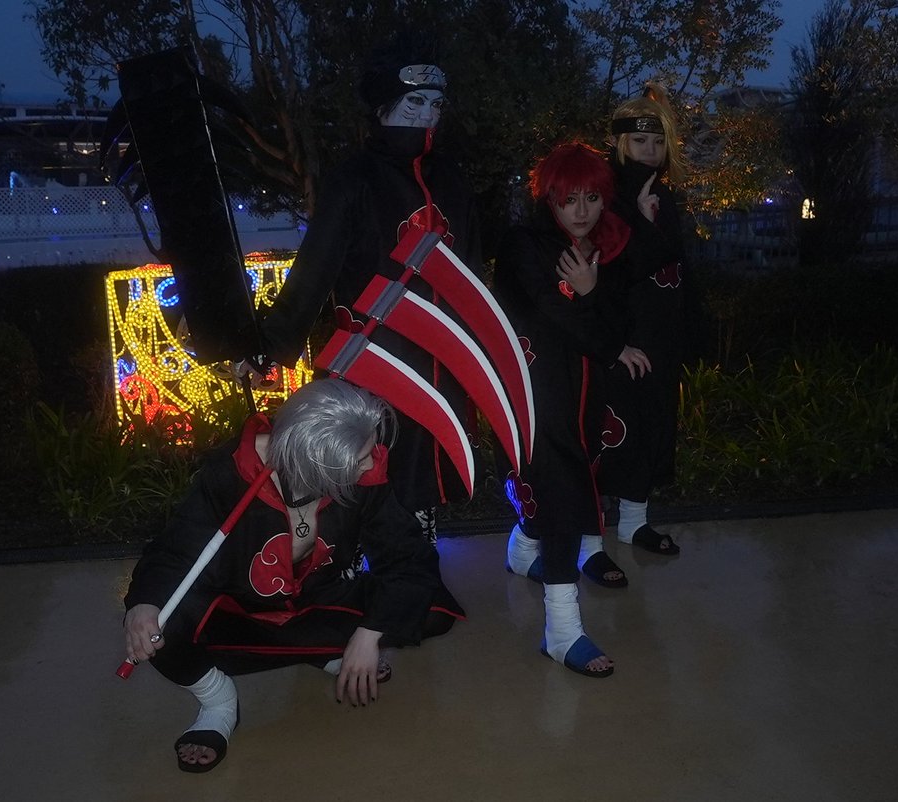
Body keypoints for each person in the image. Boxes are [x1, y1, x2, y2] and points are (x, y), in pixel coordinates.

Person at [122, 379, 464, 772]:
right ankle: (218, 700)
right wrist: (144, 604)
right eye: (360, 458)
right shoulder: (229, 474)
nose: (372, 464)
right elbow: (174, 551)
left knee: (432, 609)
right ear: (319, 464)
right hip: (238, 612)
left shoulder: (364, 476)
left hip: (318, 601)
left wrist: (369, 635)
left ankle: (331, 648)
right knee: (154, 626)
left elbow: (408, 559)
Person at [255, 35, 483, 546]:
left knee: (425, 466)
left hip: (438, 358)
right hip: (370, 355)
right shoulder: (352, 180)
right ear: (383, 107)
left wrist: (477, 349)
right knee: (364, 459)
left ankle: (415, 563)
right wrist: (271, 345)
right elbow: (315, 270)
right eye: (414, 102)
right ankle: (353, 561)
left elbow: (469, 273)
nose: (427, 115)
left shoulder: (452, 180)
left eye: (436, 104)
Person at [494, 142, 669, 676]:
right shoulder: (525, 243)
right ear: (549, 198)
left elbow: (618, 315)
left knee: (570, 482)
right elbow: (552, 311)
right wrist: (604, 329)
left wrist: (595, 291)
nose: (582, 210)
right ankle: (563, 630)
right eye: (569, 199)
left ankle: (524, 547)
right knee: (563, 492)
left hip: (586, 396)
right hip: (535, 391)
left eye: (592, 198)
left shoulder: (605, 246)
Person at [600, 83, 689, 556]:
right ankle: (586, 537)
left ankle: (634, 522)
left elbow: (680, 265)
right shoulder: (603, 196)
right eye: (639, 141)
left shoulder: (665, 194)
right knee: (614, 429)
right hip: (621, 334)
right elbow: (615, 269)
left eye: (657, 141)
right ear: (620, 142)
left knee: (653, 424)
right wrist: (639, 220)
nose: (650, 150)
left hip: (660, 333)